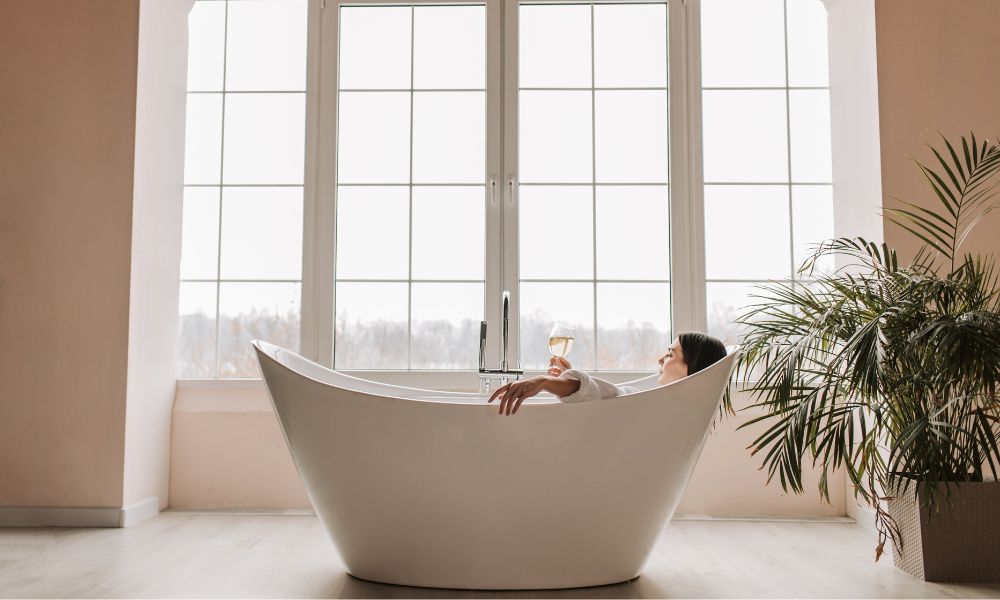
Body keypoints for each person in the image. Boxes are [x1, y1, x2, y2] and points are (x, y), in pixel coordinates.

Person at [488, 331, 727, 416]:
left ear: (691, 369)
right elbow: (609, 396)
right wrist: (566, 377)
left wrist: (546, 382)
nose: (660, 359)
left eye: (670, 354)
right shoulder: (660, 408)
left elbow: (609, 398)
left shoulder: (656, 410)